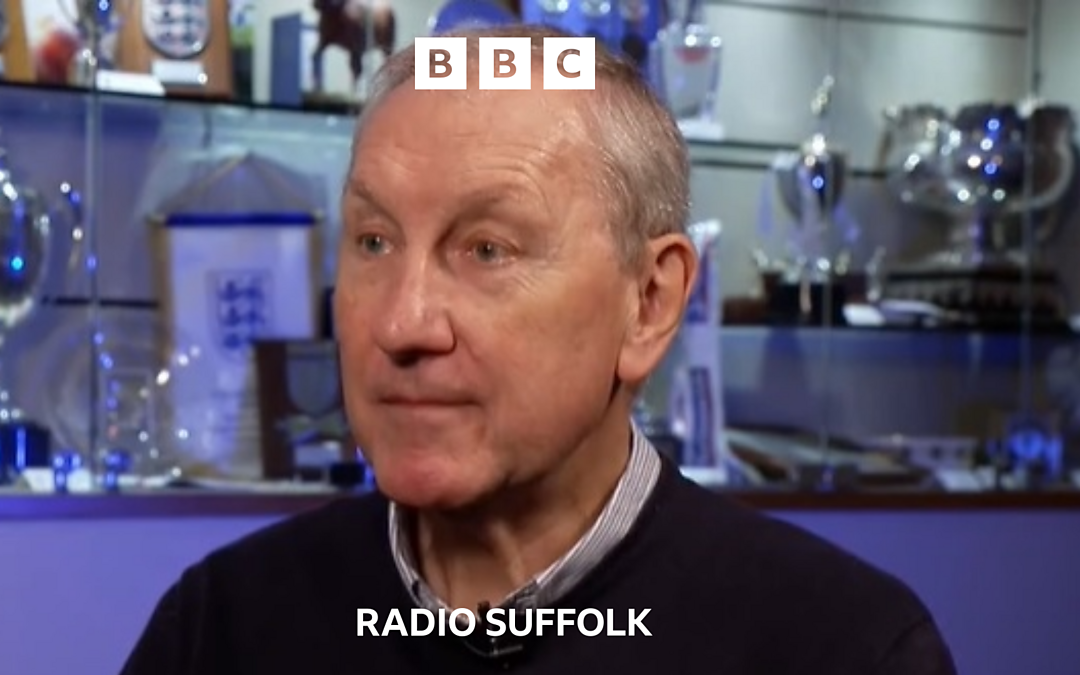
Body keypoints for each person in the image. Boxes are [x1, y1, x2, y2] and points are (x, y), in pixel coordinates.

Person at [120, 24, 958, 675]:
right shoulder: (219, 626)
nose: (403, 323)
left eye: (487, 249)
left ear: (649, 302)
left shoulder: (844, 649)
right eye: (374, 240)